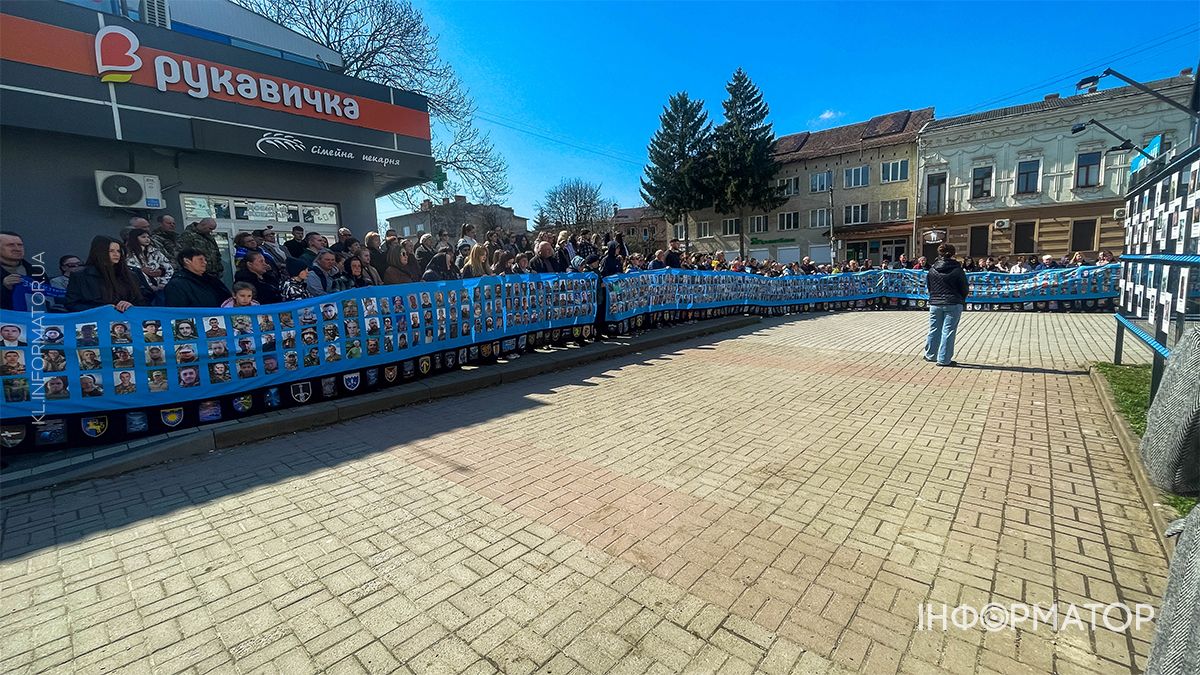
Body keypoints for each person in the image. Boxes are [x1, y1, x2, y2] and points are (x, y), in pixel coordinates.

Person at [65, 236, 147, 312]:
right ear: (99, 252)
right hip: (96, 319)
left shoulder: (131, 275)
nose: (116, 254)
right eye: (111, 251)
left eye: (118, 251)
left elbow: (143, 300)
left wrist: (131, 305)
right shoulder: (80, 276)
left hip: (126, 318)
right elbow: (71, 304)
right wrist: (100, 309)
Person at [924, 243, 969, 368]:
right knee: (948, 331)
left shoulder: (932, 269)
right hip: (953, 302)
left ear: (939, 253)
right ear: (953, 254)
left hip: (935, 302)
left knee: (934, 329)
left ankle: (930, 354)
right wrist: (961, 299)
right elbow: (964, 288)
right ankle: (944, 359)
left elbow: (929, 286)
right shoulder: (957, 269)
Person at [164, 248, 231, 307]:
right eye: (200, 259)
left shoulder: (212, 280)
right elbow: (178, 311)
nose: (205, 262)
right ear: (187, 261)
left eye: (205, 260)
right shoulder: (176, 284)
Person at [1, 231, 46, 311]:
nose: (17, 249)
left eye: (20, 245)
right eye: (10, 245)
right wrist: (4, 288)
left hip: (33, 319)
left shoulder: (37, 271)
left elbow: (49, 299)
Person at [124, 227, 174, 295]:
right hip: (141, 290)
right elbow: (131, 269)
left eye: (148, 237)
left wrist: (163, 280)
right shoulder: (128, 253)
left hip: (161, 287)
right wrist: (149, 284)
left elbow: (168, 267)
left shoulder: (155, 251)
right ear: (134, 238)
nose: (147, 239)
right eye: (143, 237)